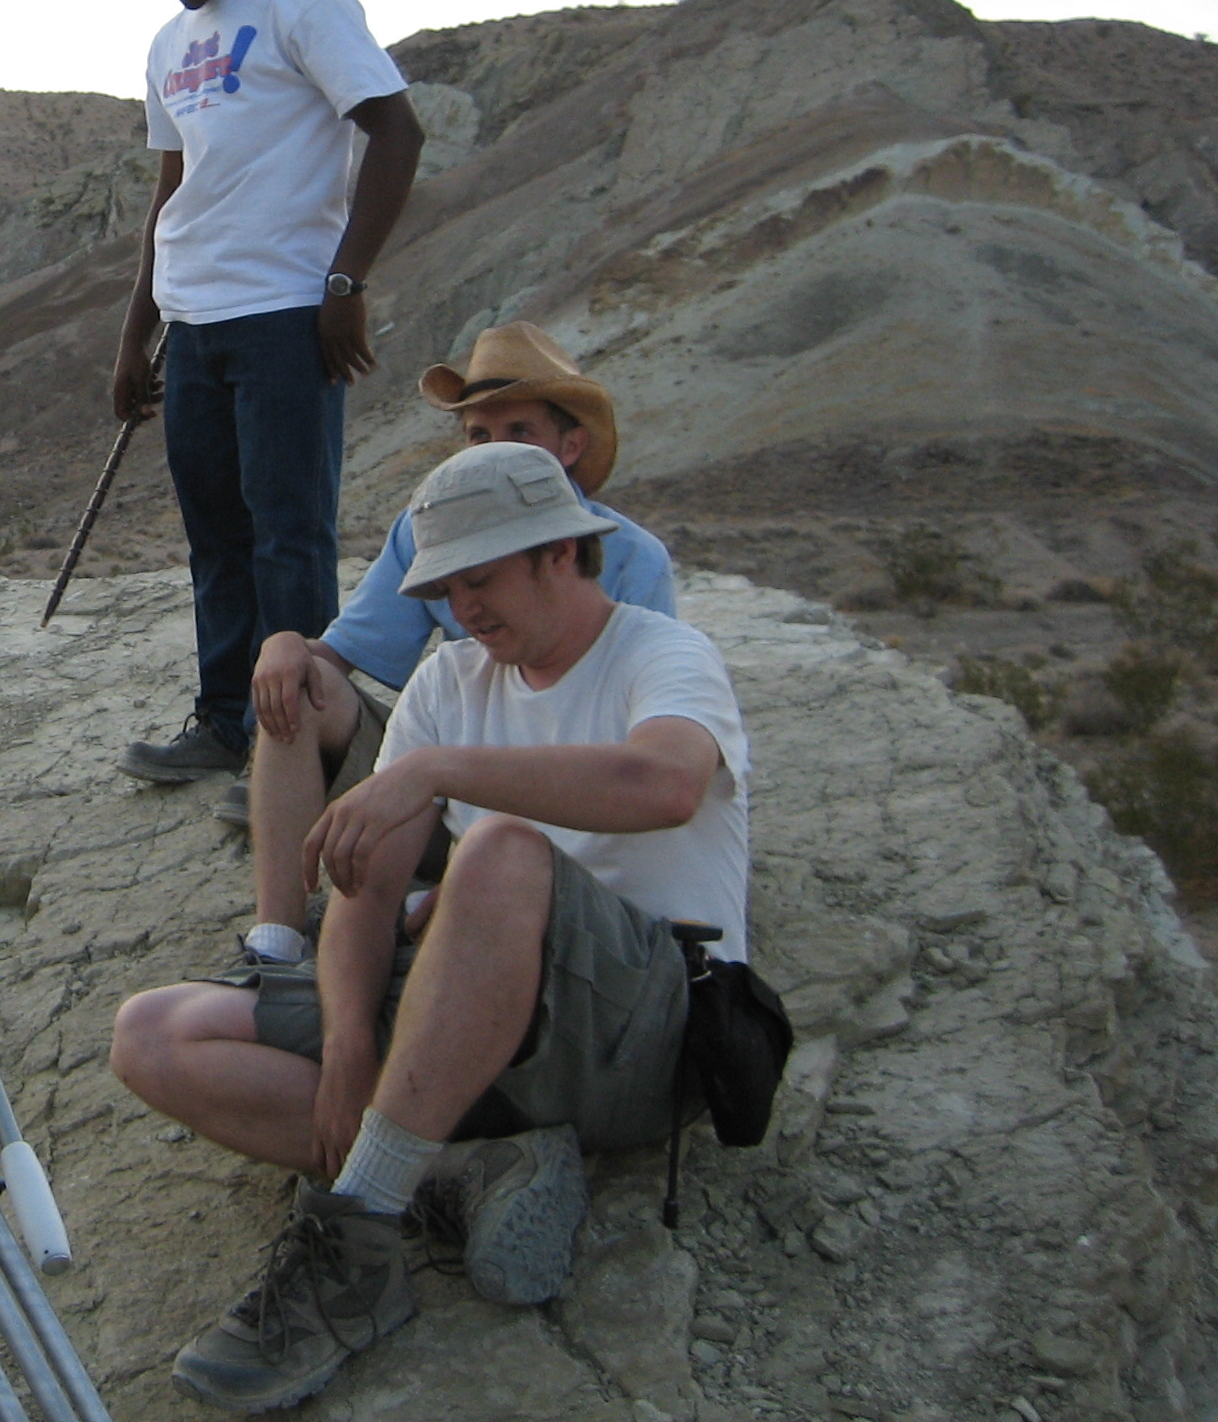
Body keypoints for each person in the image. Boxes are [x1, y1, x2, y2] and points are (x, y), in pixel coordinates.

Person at [109, 441, 751, 1413]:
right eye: (447, 588)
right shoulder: (449, 684)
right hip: (472, 1017)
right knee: (154, 1034)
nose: (462, 610)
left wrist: (439, 774)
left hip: (642, 1032)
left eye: (482, 579)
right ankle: (461, 1167)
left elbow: (665, 784)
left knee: (494, 854)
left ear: (560, 555)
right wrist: (356, 1035)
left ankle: (359, 1229)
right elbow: (366, 889)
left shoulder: (661, 654)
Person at [106, 0, 424, 783]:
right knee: (217, 532)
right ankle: (224, 719)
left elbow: (397, 130)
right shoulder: (168, 47)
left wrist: (345, 283)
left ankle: (299, 747)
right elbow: (172, 193)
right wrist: (136, 335)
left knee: (289, 530)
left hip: (288, 307)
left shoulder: (302, 0)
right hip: (194, 317)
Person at [222, 323, 678, 976]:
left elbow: (633, 754)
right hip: (440, 800)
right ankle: (276, 945)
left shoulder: (634, 561)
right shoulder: (426, 532)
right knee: (297, 692)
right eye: (478, 436)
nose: (494, 450)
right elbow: (344, 654)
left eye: (519, 432)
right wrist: (288, 647)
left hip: (566, 815)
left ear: (570, 444)